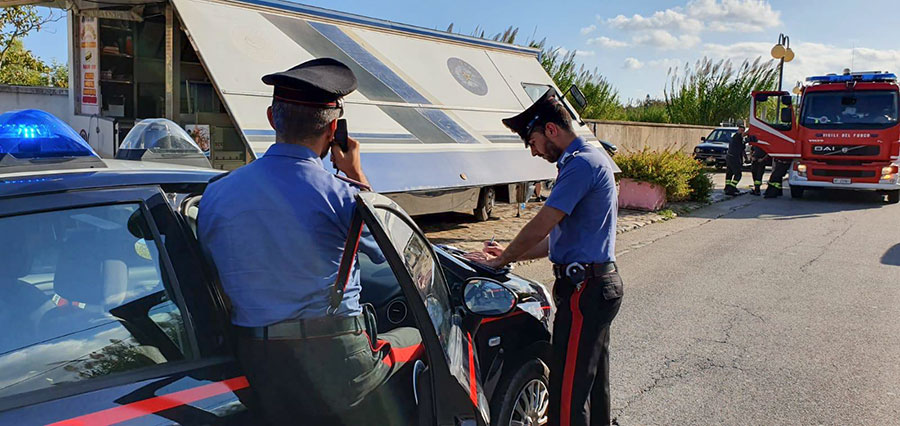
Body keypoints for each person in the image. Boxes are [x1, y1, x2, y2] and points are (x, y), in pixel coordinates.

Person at [198, 58, 421, 424]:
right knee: (418, 339)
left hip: (255, 357)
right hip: (335, 357)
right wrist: (356, 173)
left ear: (272, 118)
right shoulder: (345, 196)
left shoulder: (216, 195)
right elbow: (396, 255)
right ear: (335, 129)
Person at [465, 88, 623, 426]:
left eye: (532, 141)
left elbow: (542, 223)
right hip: (594, 283)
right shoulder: (588, 160)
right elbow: (556, 241)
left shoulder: (580, 165)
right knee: (591, 386)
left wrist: (500, 259)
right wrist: (509, 255)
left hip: (586, 289)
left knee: (567, 393)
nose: (533, 151)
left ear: (551, 129)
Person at [725, 125, 747, 195]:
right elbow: (741, 147)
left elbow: (742, 150)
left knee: (730, 173)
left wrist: (745, 158)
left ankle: (727, 187)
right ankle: (731, 188)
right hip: (734, 158)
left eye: (743, 130)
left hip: (730, 157)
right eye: (741, 130)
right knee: (738, 174)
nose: (742, 132)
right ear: (739, 130)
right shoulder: (738, 137)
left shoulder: (735, 137)